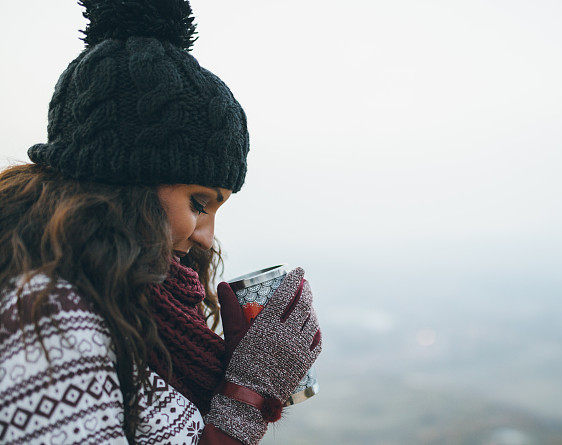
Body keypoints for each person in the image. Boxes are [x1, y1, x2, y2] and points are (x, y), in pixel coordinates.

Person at [0, 1, 322, 444]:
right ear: (127, 182)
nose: (207, 237)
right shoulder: (46, 319)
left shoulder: (120, 304)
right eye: (199, 202)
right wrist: (248, 396)